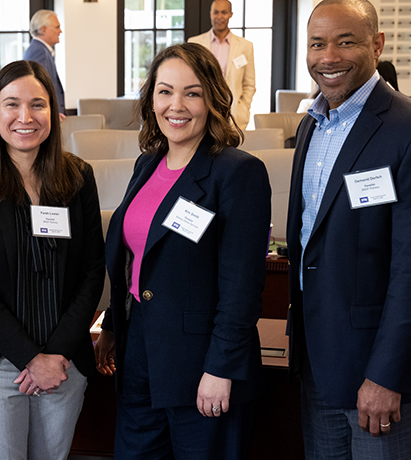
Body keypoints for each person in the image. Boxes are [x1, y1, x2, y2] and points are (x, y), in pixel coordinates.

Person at [286, 1, 411, 458]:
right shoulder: (311, 126)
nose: (328, 56)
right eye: (317, 43)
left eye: (346, 41)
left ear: (377, 45)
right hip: (319, 360)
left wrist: (386, 375)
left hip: (380, 370)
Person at [93, 42, 271, 459]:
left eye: (192, 92)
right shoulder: (147, 163)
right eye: (165, 91)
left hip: (202, 366)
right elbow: (140, 259)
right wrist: (115, 326)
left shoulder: (237, 172)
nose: (177, 105)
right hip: (140, 355)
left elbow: (242, 286)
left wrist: (220, 369)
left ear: (212, 98)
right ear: (151, 98)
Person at [0, 59, 104, 460]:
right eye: (11, 104)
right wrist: (30, 358)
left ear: (53, 111)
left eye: (37, 104)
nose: (25, 116)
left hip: (63, 362)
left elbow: (91, 271)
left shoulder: (78, 177)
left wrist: (54, 356)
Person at [188, 0, 256, 129]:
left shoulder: (245, 46)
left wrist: (244, 108)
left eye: (224, 12)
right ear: (210, 14)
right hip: (202, 108)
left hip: (234, 113)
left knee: (229, 148)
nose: (219, 17)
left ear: (230, 14)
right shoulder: (194, 43)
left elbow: (249, 84)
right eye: (216, 12)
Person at [23, 10, 66, 117]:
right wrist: (53, 112)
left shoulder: (41, 50)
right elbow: (39, 87)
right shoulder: (39, 52)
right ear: (43, 29)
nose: (60, 31)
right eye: (57, 27)